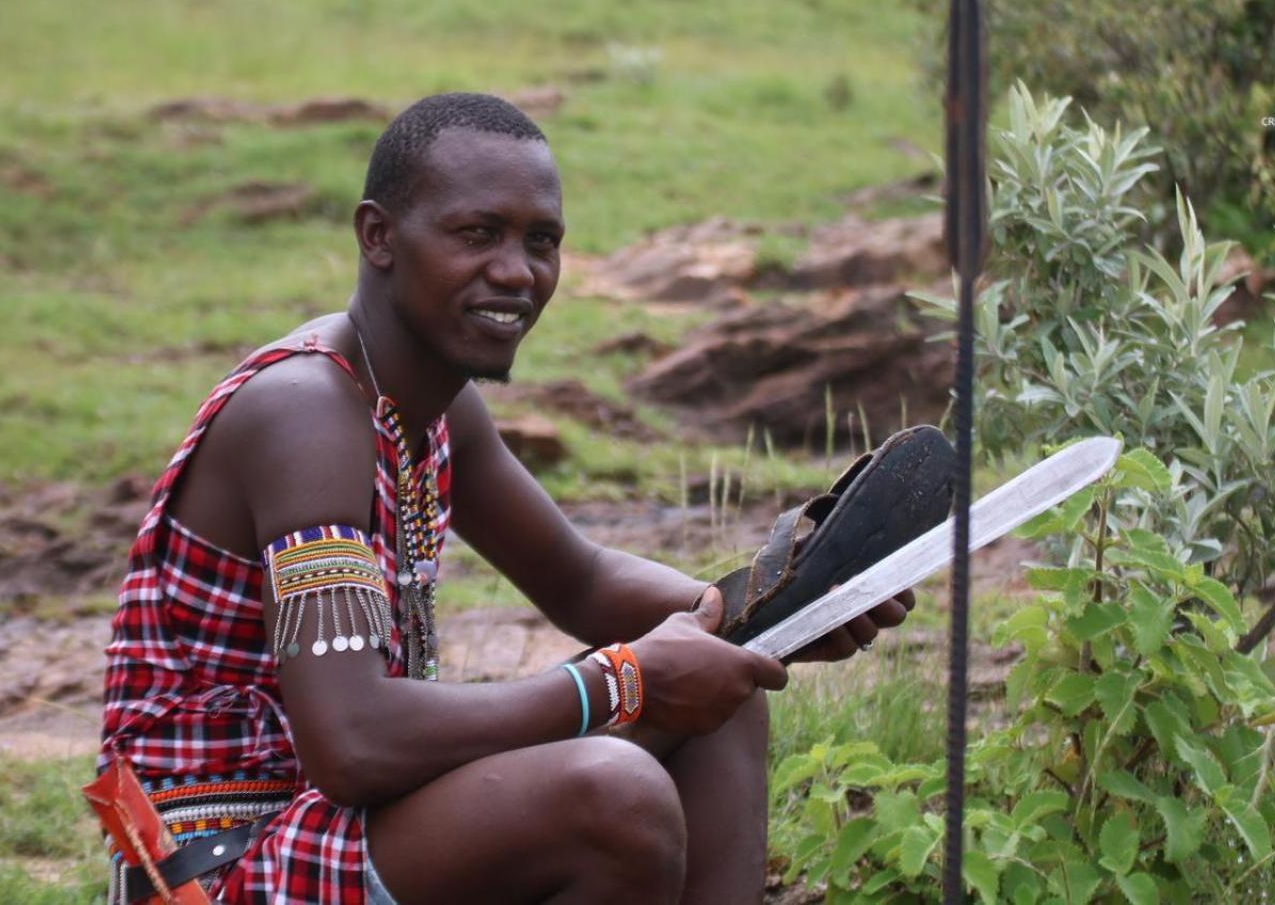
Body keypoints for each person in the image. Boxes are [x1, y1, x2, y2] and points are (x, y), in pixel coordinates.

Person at [97, 92, 916, 905]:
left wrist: (764, 613)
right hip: (220, 865)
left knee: (716, 697)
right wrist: (624, 679)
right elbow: (350, 743)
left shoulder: (430, 403)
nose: (516, 272)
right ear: (378, 236)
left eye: (542, 241)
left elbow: (581, 582)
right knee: (612, 793)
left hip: (336, 821)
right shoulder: (307, 411)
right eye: (477, 234)